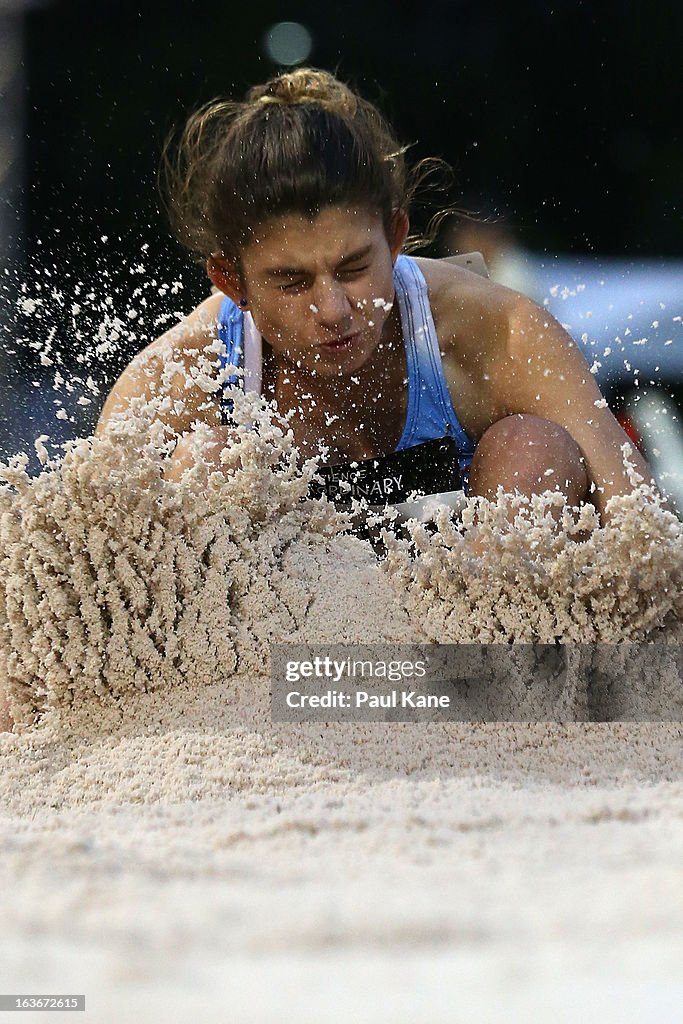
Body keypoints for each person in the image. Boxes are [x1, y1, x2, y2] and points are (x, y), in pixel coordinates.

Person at [95, 67, 655, 521]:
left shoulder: (494, 328)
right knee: (203, 464)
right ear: (232, 283)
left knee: (533, 449)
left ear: (394, 238)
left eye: (354, 267)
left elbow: (645, 529)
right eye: (291, 282)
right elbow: (79, 583)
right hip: (281, 653)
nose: (333, 310)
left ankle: (492, 653)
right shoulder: (182, 376)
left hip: (471, 633)